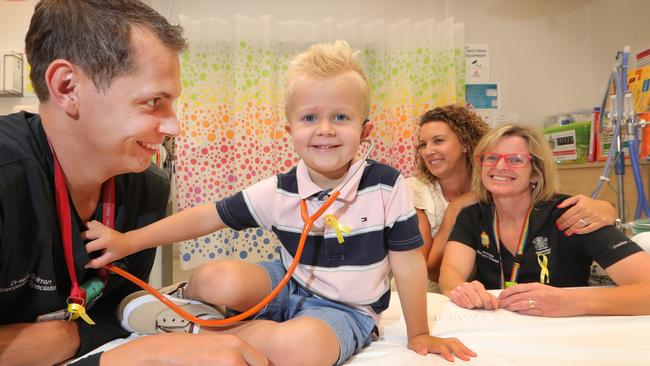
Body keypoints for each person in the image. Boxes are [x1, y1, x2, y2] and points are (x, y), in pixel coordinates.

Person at [84, 40, 476, 365]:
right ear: (290, 129)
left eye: (341, 116)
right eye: (309, 118)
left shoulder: (386, 186)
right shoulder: (279, 189)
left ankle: (195, 328)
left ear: (365, 129)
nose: (324, 129)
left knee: (299, 348)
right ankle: (186, 303)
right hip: (286, 284)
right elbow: (206, 217)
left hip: (345, 309)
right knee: (214, 277)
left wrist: (419, 332)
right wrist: (128, 241)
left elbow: (408, 267)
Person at [0, 1, 266, 365]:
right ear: (67, 87)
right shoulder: (7, 176)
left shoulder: (147, 188)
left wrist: (63, 337)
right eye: (153, 102)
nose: (174, 127)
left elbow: (114, 316)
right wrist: (123, 360)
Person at [439, 123, 650, 316]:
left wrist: (574, 301)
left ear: (536, 173)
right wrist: (461, 288)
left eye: (516, 160)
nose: (500, 167)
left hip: (564, 334)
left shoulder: (572, 214)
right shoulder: (473, 216)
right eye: (491, 158)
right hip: (499, 330)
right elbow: (451, 272)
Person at [406, 105, 618, 289]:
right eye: (423, 144)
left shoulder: (505, 184)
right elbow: (436, 272)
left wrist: (607, 208)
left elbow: (554, 201)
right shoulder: (439, 201)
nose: (428, 151)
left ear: (464, 144)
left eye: (438, 141)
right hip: (447, 299)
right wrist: (455, 209)